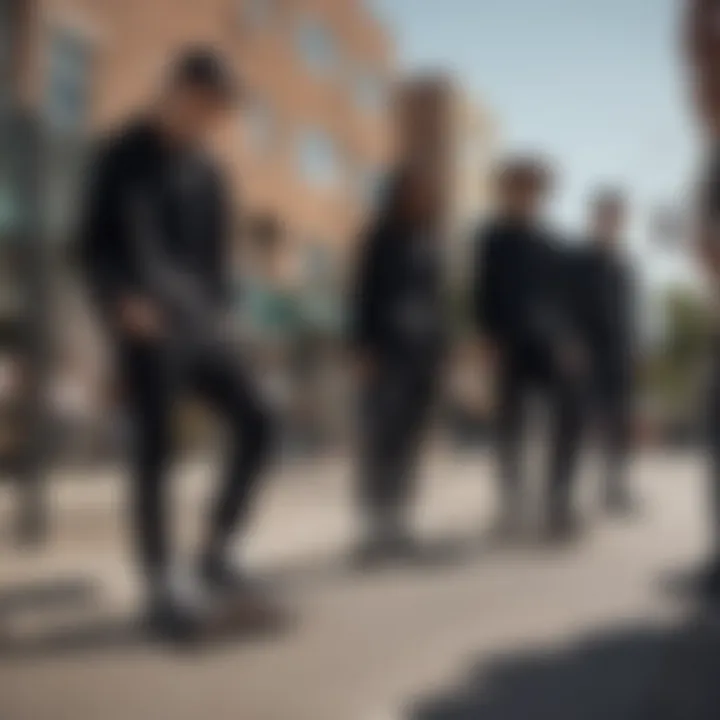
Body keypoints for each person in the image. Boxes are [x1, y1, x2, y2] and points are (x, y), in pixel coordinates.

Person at [78, 47, 276, 641]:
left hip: (201, 325)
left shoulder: (210, 173)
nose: (210, 122)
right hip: (146, 324)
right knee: (155, 453)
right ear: (177, 89)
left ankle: (217, 549)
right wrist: (120, 306)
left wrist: (224, 322)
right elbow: (91, 247)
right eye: (205, 106)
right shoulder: (119, 154)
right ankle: (161, 581)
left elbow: (216, 265)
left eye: (219, 114)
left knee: (260, 420)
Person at [473, 158, 585, 541]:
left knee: (567, 419)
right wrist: (486, 339)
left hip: (551, 344)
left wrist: (571, 341)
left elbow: (568, 299)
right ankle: (511, 506)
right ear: (506, 192)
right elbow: (483, 292)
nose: (525, 195)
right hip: (509, 343)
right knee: (510, 427)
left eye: (532, 188)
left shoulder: (553, 244)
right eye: (518, 187)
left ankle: (558, 504)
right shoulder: (492, 239)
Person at [350, 164, 447, 565]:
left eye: (425, 192)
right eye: (412, 191)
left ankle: (400, 521)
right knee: (382, 439)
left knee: (409, 439)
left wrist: (444, 351)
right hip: (386, 349)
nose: (419, 199)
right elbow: (362, 294)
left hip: (423, 353)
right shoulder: (379, 238)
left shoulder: (430, 243)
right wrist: (363, 348)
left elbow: (436, 300)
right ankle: (375, 526)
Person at [572, 190, 638, 516]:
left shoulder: (624, 265)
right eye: (606, 216)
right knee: (579, 424)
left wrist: (637, 350)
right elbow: (567, 308)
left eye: (616, 217)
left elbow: (630, 313)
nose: (611, 223)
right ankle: (567, 495)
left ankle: (615, 487)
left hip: (620, 354)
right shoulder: (579, 261)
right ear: (595, 219)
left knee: (619, 425)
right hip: (588, 355)